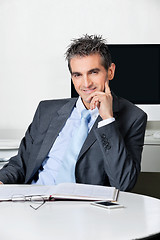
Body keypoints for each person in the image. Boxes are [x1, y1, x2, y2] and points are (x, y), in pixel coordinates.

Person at [0, 34, 147, 191]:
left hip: (82, 208)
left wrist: (107, 120)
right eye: (77, 75)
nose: (86, 83)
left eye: (93, 72)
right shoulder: (46, 110)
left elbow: (123, 183)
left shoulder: (133, 118)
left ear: (110, 71)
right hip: (33, 200)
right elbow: (20, 164)